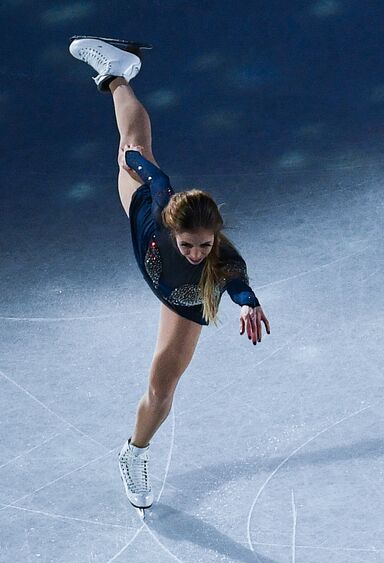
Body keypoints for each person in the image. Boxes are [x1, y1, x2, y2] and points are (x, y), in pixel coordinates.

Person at [68, 37, 272, 510]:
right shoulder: (159, 212)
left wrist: (249, 301)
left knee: (161, 389)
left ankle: (132, 452)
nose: (199, 253)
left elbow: (238, 285)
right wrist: (133, 161)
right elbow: (157, 181)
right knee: (133, 145)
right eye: (189, 244)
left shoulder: (220, 263)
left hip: (182, 300)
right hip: (143, 228)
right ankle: (115, 72)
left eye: (205, 245)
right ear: (174, 229)